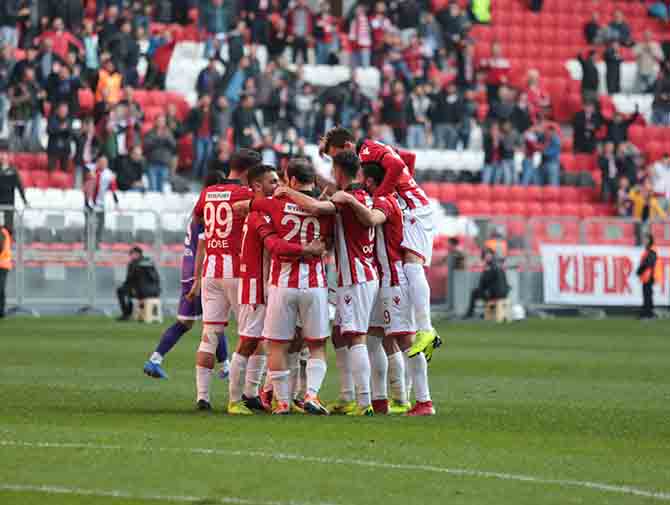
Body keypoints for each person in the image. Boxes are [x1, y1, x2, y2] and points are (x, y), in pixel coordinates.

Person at [322, 128, 441, 361]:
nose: (335, 161)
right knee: (410, 267)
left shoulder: (367, 150)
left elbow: (397, 167)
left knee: (413, 266)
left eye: (335, 154)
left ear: (348, 145)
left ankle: (426, 329)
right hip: (411, 207)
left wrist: (382, 197)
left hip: (415, 208)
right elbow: (408, 159)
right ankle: (424, 330)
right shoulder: (375, 150)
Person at [277, 151, 380, 417]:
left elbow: (316, 207)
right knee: (341, 335)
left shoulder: (348, 199)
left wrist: (286, 192)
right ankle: (349, 397)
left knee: (356, 336)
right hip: (360, 275)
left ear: (337, 170)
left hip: (356, 276)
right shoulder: (361, 195)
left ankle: (365, 402)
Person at [332, 160, 436, 416]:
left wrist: (349, 200)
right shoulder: (385, 198)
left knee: (404, 339)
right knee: (378, 337)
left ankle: (423, 401)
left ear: (369, 181)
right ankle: (382, 400)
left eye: (362, 177)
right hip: (382, 278)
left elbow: (369, 219)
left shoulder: (385, 202)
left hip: (394, 278)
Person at [227, 164, 325, 415]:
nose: (276, 186)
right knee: (250, 341)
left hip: (279, 285)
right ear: (257, 186)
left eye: (278, 180)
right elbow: (273, 245)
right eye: (272, 181)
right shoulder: (263, 210)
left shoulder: (271, 207)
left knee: (285, 342)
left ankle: (277, 397)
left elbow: (240, 210)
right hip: (257, 283)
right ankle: (236, 399)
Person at [190, 149, 259, 411]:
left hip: (211, 269)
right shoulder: (248, 194)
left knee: (209, 335)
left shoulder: (208, 192)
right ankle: (249, 393)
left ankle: (203, 396)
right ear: (250, 171)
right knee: (252, 335)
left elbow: (197, 218)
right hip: (239, 271)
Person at [143, 172, 229, 379]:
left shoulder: (198, 209)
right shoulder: (211, 209)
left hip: (187, 270)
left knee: (185, 322)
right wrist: (199, 278)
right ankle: (227, 366)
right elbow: (204, 243)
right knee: (214, 320)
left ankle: (155, 360)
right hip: (200, 270)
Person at [116, 246, 161, 321]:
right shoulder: (149, 262)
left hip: (142, 291)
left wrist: (125, 286)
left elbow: (130, 279)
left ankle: (126, 314)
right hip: (155, 291)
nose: (131, 256)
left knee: (121, 291)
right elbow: (156, 278)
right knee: (128, 292)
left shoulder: (134, 264)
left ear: (137, 254)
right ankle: (134, 314)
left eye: (132, 254)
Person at [463, 248, 510, 319]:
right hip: (502, 292)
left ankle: (470, 313)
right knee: (479, 291)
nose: (487, 257)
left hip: (496, 293)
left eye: (488, 255)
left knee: (475, 292)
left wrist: (482, 287)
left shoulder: (491, 267)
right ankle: (487, 311)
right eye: (486, 255)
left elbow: (485, 282)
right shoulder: (496, 265)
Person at [0, 151, 27, 231]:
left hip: (9, 202)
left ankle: (8, 242)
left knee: (8, 227)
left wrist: (24, 200)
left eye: (5, 158)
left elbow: (20, 186)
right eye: (2, 158)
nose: (4, 159)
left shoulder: (13, 171)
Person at [636, 235, 659, 319]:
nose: (644, 240)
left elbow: (649, 262)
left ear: (650, 240)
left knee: (647, 294)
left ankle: (648, 313)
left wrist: (640, 270)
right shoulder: (650, 249)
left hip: (649, 275)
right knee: (647, 294)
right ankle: (648, 312)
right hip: (647, 276)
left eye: (646, 239)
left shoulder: (652, 250)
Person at [0, 223, 11, 318]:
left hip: (2, 265)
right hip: (3, 265)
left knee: (0, 289)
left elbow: (0, 247)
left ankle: (1, 312)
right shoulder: (4, 232)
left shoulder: (2, 232)